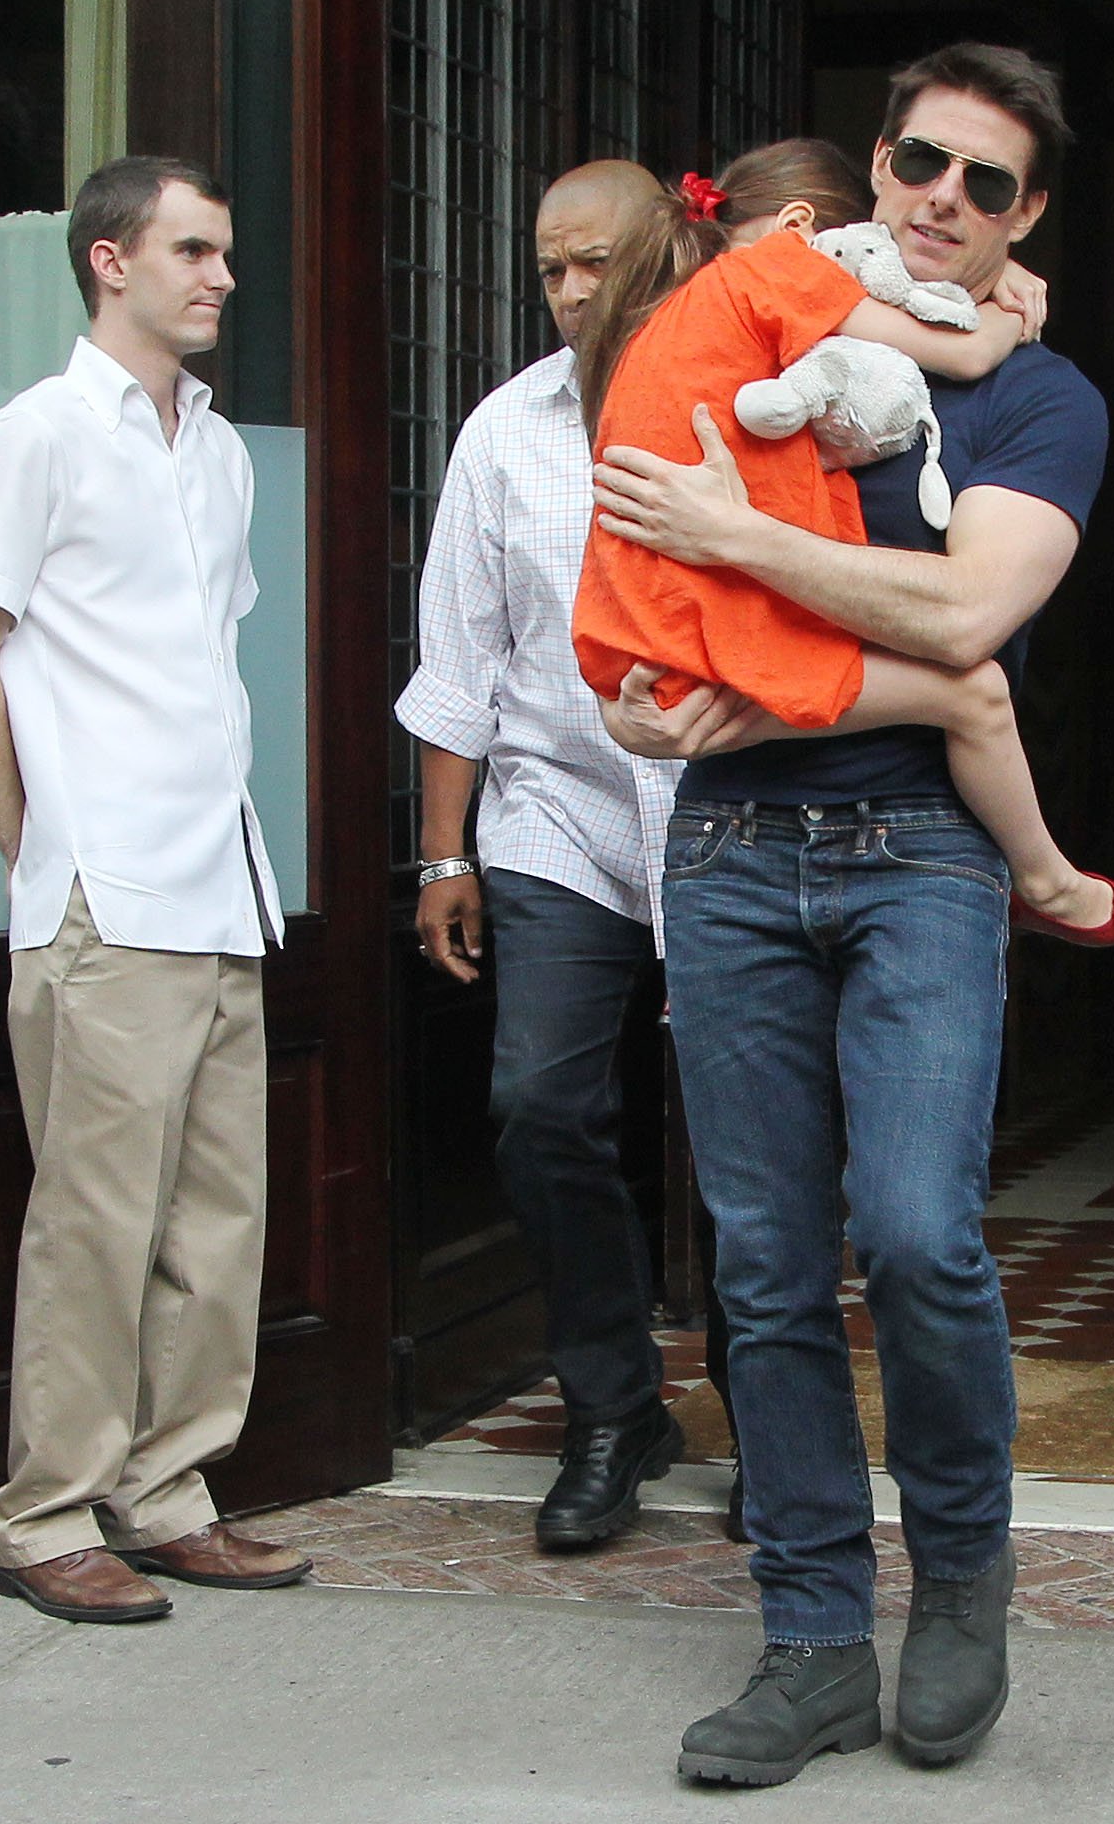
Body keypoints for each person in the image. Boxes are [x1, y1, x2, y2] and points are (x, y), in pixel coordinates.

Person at [584, 44, 1106, 1787]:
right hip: (726, 845)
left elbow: (966, 622)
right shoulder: (761, 335)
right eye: (916, 161)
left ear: (1028, 215)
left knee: (918, 1232)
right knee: (760, 1268)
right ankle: (811, 1637)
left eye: (982, 183)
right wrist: (651, 704)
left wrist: (752, 553)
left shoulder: (1043, 403)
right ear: (871, 166)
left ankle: (960, 1580)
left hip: (925, 855)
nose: (937, 200)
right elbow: (647, 598)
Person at [0, 156, 308, 1623]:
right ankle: (43, 1516)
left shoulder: (214, 451)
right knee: (95, 1224)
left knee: (217, 1222)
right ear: (108, 261)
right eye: (193, 250)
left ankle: (169, 1492)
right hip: (104, 891)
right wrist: (45, 854)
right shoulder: (36, 436)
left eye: (223, 252)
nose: (220, 276)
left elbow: (197, 671)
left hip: (221, 883)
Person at [571, 137, 1114, 948]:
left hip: (656, 652)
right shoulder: (783, 277)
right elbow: (966, 349)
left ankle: (1049, 883)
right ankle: (1050, 881)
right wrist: (1000, 298)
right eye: (867, 255)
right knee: (973, 692)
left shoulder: (675, 327)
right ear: (809, 231)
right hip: (699, 667)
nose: (885, 276)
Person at [397, 157, 712, 1557]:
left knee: (751, 1137)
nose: (572, 291)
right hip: (558, 817)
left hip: (730, 812)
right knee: (538, 1102)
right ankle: (613, 1405)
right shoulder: (505, 429)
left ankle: (773, 1421)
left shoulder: (747, 405)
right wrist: (439, 855)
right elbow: (461, 659)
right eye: (551, 268)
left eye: (597, 264)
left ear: (666, 251)